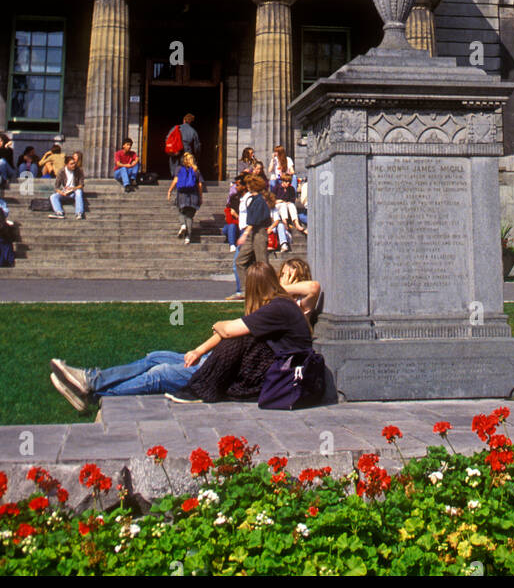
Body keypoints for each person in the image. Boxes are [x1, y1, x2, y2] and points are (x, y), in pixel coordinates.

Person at [48, 262, 317, 409]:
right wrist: (199, 351)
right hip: (224, 361)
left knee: (162, 373)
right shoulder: (276, 307)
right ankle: (91, 379)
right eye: (280, 276)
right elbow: (231, 334)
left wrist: (219, 323)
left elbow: (229, 330)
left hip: (239, 374)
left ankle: (93, 394)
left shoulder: (279, 308)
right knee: (156, 357)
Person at [235, 173, 273, 278]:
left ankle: (267, 288)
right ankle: (246, 289)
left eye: (248, 184)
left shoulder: (260, 201)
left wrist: (244, 234)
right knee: (240, 261)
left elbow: (254, 220)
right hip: (253, 232)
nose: (247, 186)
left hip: (259, 232)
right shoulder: (253, 199)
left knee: (262, 263)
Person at [167, 150, 203, 242]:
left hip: (182, 195)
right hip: (193, 195)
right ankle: (188, 237)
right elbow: (200, 185)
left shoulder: (179, 169)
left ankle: (183, 225)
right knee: (190, 217)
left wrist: (170, 190)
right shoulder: (196, 171)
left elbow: (175, 180)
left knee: (181, 212)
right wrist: (200, 196)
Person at [49, 152, 86, 219]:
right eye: (71, 164)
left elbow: (81, 185)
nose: (74, 165)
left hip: (74, 191)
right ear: (66, 165)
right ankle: (59, 212)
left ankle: (79, 213)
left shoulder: (79, 170)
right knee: (53, 196)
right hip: (65, 192)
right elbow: (56, 187)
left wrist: (74, 188)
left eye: (74, 163)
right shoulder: (61, 171)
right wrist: (61, 192)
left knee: (79, 191)